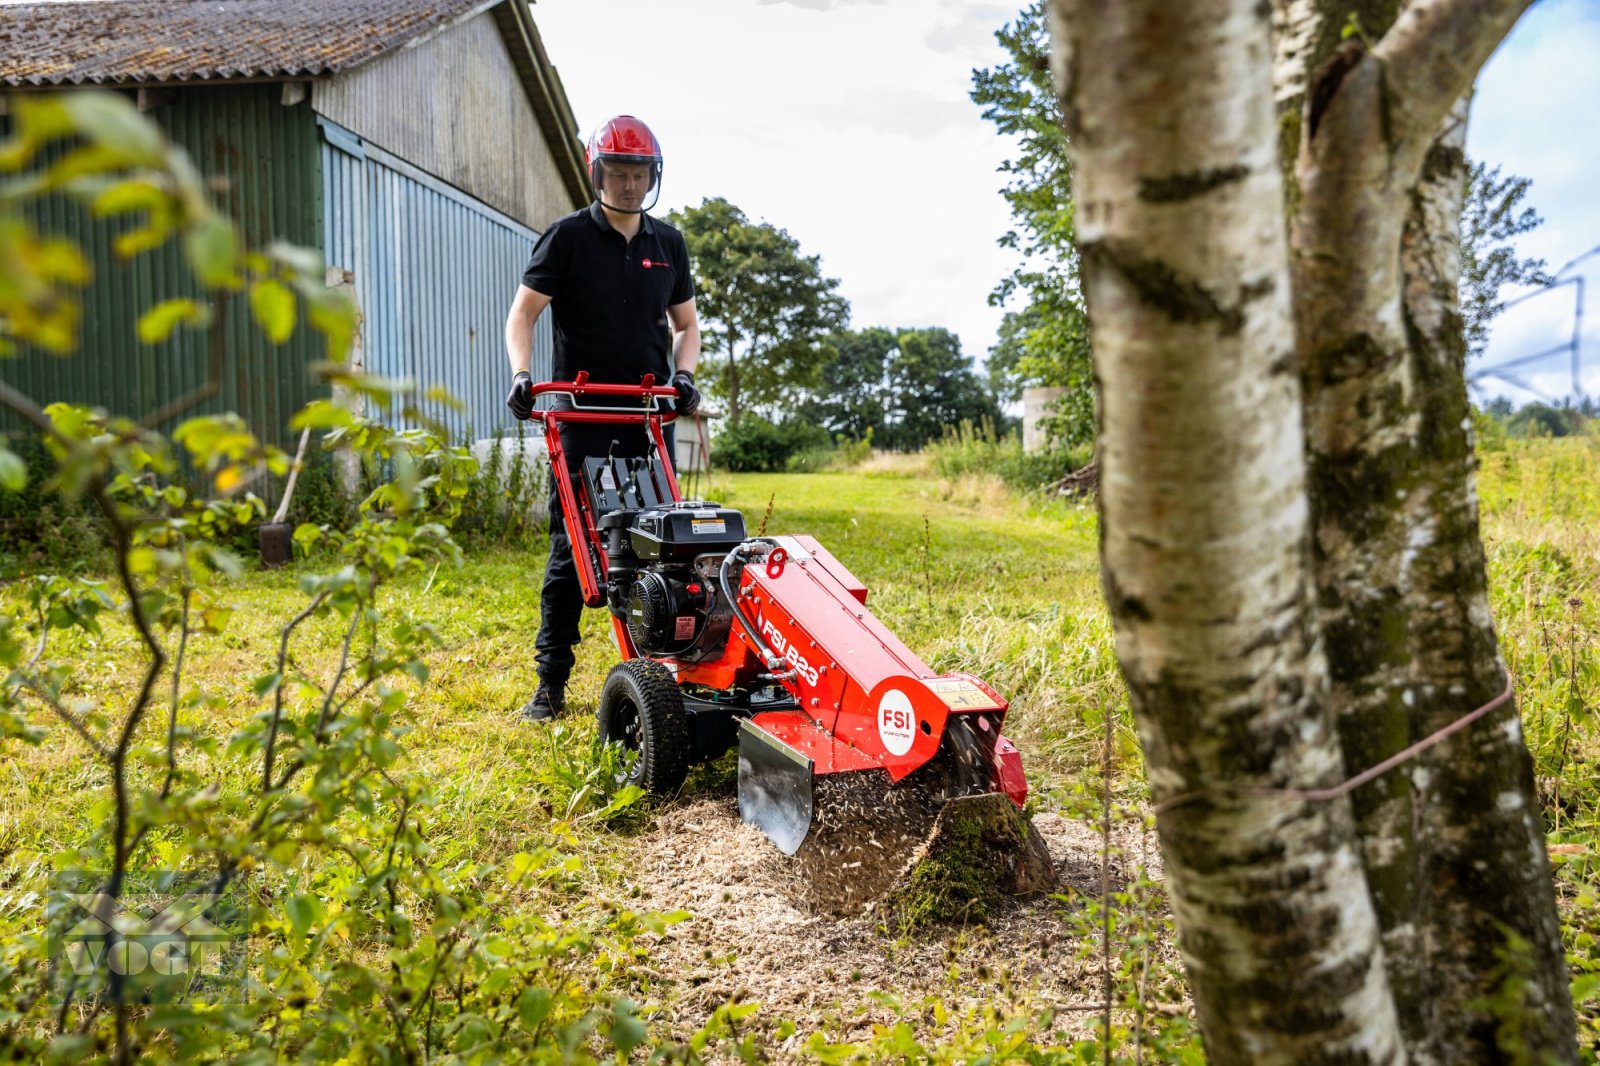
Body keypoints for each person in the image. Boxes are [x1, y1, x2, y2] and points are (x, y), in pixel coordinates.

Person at [503, 114, 702, 722]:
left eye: (638, 174)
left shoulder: (668, 244)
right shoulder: (565, 238)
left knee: (662, 541)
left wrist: (684, 378)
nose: (627, 185)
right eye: (617, 172)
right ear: (597, 173)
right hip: (579, 415)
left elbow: (685, 326)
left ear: (653, 176)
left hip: (646, 416)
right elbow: (523, 315)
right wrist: (521, 375)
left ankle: (669, 666)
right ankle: (551, 682)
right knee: (574, 547)